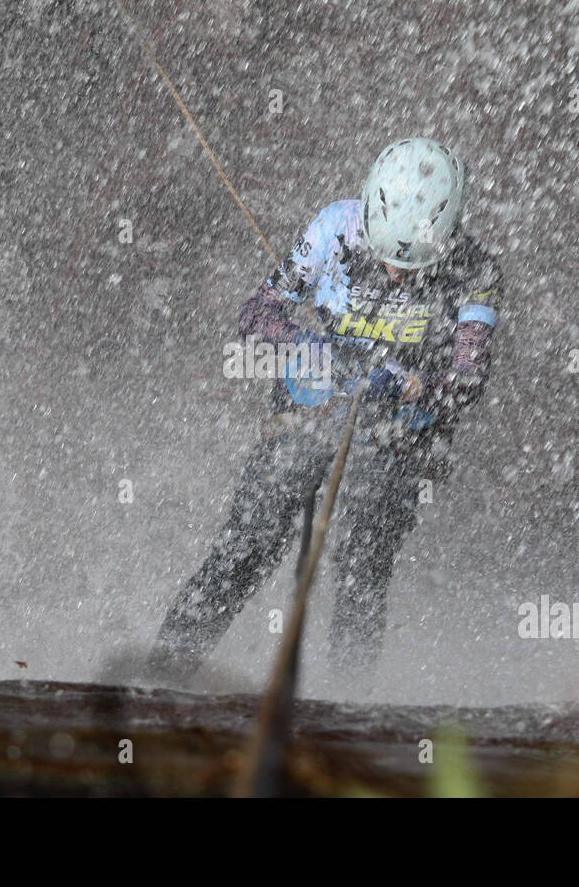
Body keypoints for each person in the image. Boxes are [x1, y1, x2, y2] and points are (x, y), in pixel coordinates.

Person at [147, 138, 501, 683]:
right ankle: (160, 676)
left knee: (363, 560)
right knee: (249, 543)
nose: (398, 274)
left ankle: (346, 701)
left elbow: (469, 378)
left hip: (398, 434)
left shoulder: (477, 270)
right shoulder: (334, 229)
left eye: (412, 267)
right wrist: (306, 343)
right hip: (311, 411)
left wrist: (411, 386)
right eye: (386, 261)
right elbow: (258, 312)